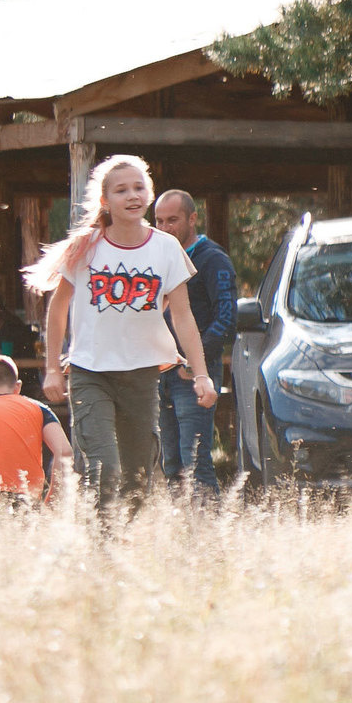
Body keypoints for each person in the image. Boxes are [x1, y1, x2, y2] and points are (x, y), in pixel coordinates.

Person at [24, 155, 219, 504]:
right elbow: (58, 308)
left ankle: (119, 546)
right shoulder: (85, 247)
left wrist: (201, 373)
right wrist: (52, 368)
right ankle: (101, 544)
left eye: (139, 187)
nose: (132, 196)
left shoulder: (166, 247)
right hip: (90, 372)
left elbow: (183, 316)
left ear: (149, 194)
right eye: (121, 190)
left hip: (142, 374)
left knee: (136, 479)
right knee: (103, 467)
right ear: (105, 201)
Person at [151, 191, 237, 493]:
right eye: (159, 220)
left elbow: (226, 319)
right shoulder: (155, 256)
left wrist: (194, 362)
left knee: (195, 461)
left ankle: (208, 532)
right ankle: (181, 532)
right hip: (159, 371)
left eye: (172, 220)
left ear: (192, 219)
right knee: (170, 463)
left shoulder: (213, 259)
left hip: (194, 373)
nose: (165, 227)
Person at [0, 354, 72, 500]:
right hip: (26, 501)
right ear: (18, 387)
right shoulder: (40, 410)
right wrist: (52, 498)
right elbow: (65, 451)